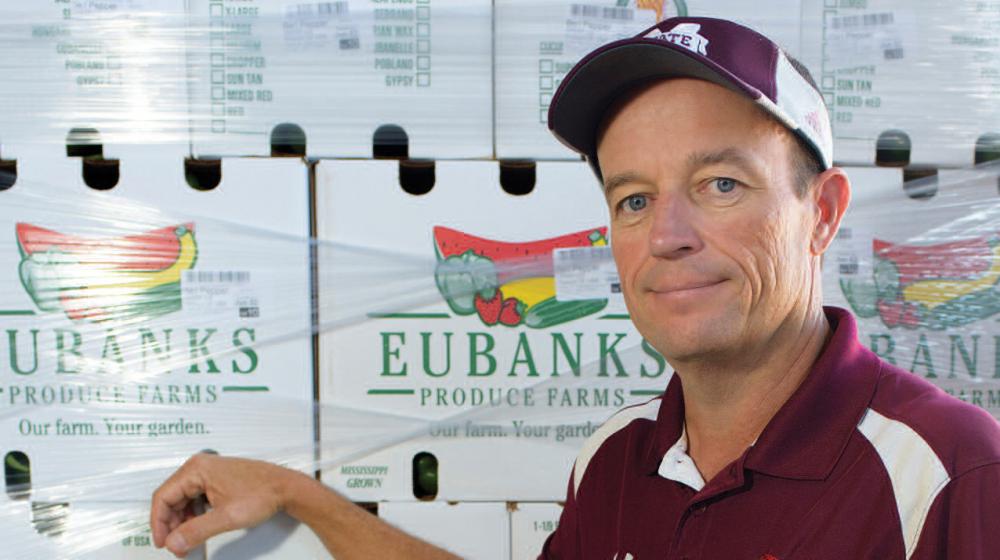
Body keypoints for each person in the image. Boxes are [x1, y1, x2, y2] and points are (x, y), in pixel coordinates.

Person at [151, 17, 1000, 559]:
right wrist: (297, 495)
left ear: (822, 213)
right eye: (634, 199)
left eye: (721, 186)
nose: (667, 235)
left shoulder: (954, 473)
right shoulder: (619, 459)